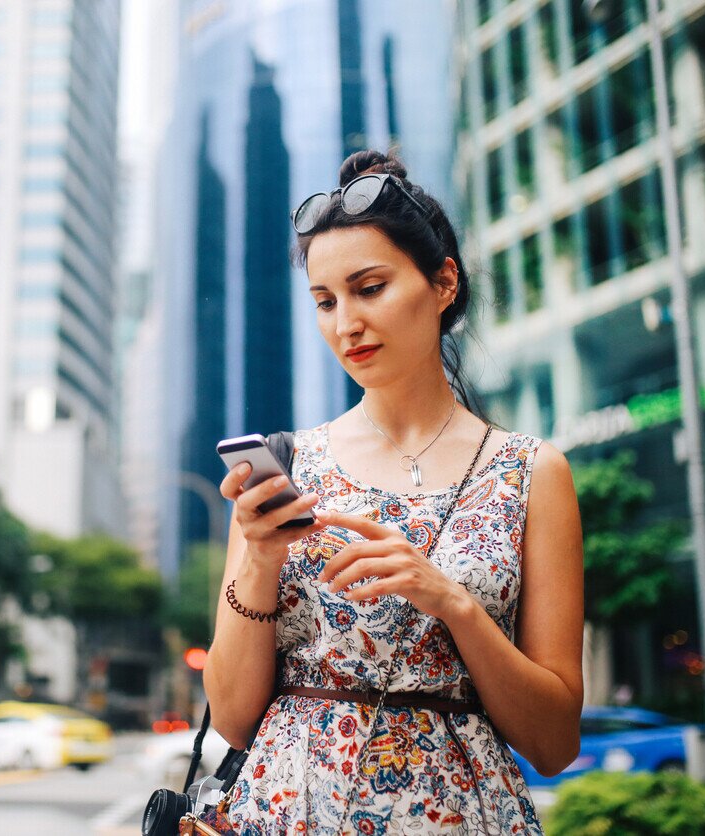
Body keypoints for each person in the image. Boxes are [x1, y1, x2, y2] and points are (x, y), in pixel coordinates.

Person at [201, 149, 584, 834]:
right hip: (289, 815)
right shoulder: (288, 467)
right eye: (325, 300)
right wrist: (258, 560)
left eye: (369, 287)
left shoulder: (532, 472)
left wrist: (452, 603)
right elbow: (232, 718)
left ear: (442, 284)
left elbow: (555, 744)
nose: (345, 323)